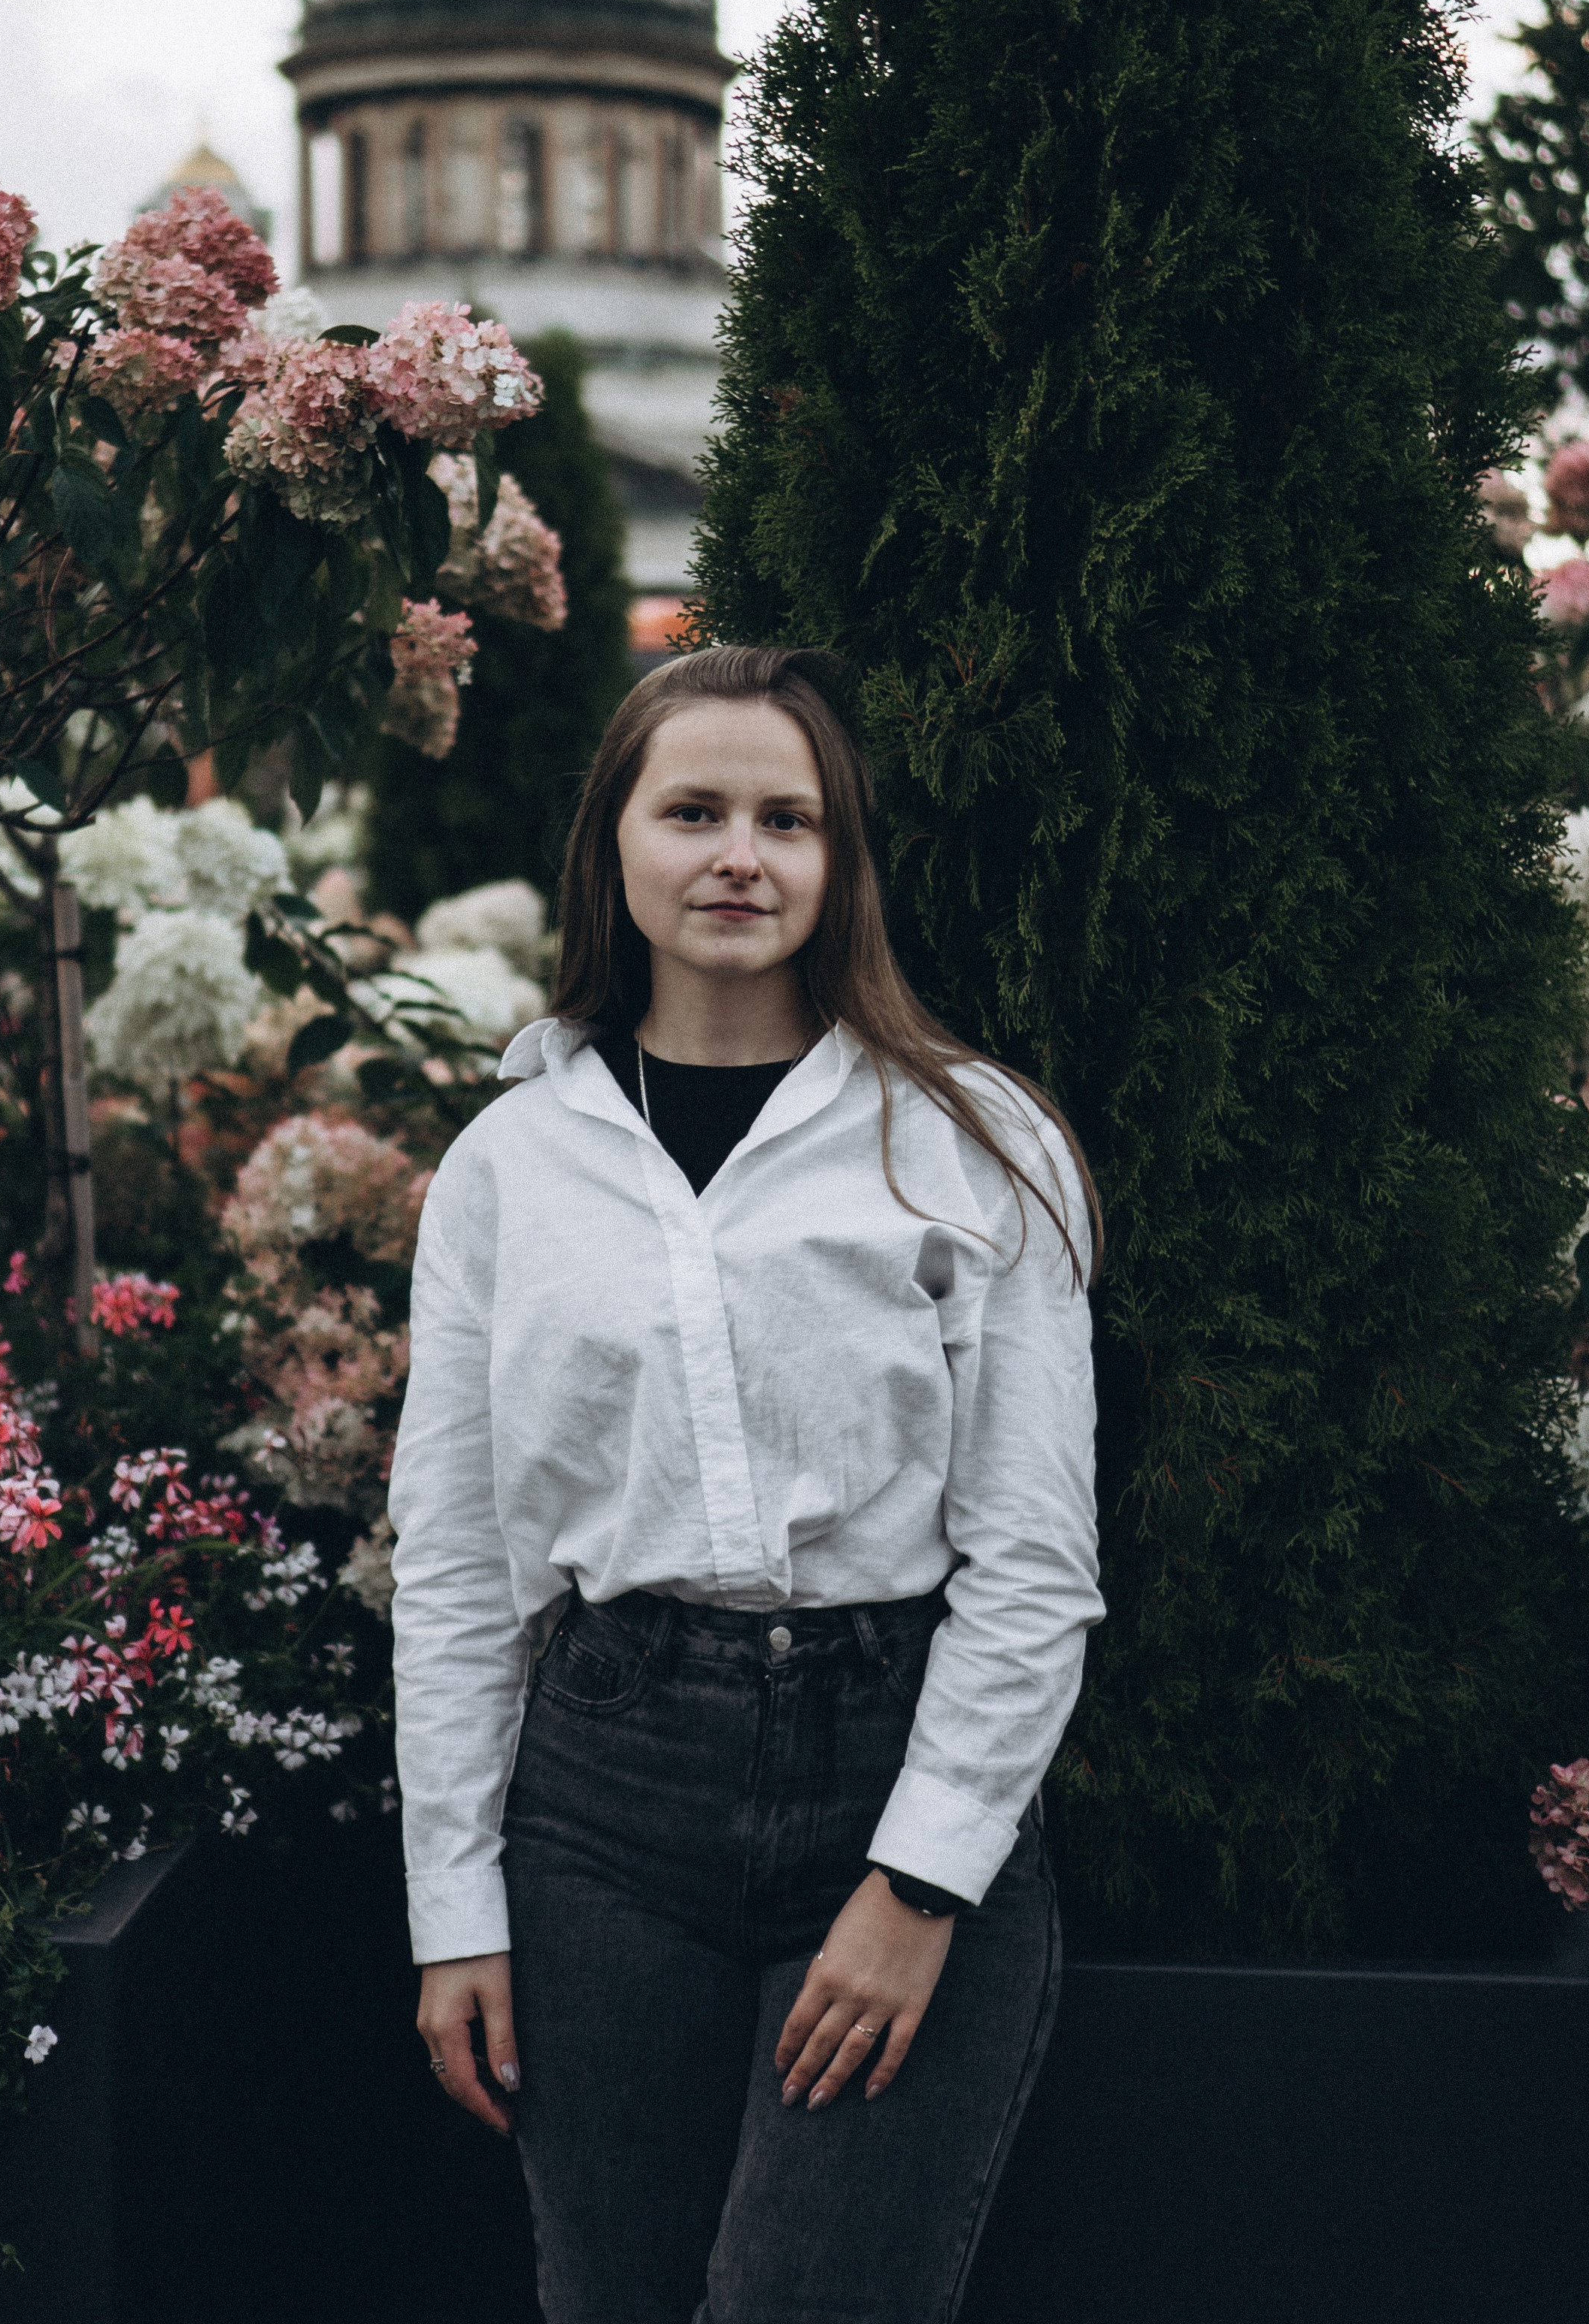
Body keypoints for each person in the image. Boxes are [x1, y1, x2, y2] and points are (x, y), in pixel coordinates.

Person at [389, 644, 1104, 2324]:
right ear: (613, 847)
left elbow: (1033, 1564)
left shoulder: (972, 1143)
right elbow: (458, 1568)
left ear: (839, 861)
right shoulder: (509, 1166)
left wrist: (918, 1884)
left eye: (787, 819)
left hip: (892, 1766)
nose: (738, 855)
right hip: (604, 1811)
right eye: (692, 809)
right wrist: (451, 1909)